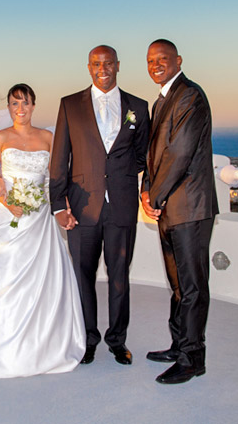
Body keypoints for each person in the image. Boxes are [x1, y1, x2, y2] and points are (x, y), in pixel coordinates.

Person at [0, 84, 85, 377]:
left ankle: (42, 346)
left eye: (25, 103)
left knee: (42, 282)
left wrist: (61, 207)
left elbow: (58, 178)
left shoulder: (48, 137)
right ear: (8, 108)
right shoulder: (1, 138)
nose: (19, 110)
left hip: (40, 220)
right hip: (8, 218)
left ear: (34, 105)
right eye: (13, 104)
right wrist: (7, 200)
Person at [49, 45, 150, 366]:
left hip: (121, 205)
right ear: (88, 67)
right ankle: (88, 338)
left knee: (120, 276)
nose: (102, 68)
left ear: (118, 66)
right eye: (96, 63)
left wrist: (121, 177)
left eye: (108, 63)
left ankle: (117, 340)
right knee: (84, 275)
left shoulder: (139, 106)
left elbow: (143, 155)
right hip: (81, 208)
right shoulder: (69, 105)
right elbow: (59, 159)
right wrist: (58, 205)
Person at [140, 39, 219, 385]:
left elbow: (179, 153)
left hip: (189, 206)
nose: (155, 64)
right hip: (169, 208)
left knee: (192, 287)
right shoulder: (161, 101)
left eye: (162, 59)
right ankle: (178, 345)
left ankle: (192, 358)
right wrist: (146, 190)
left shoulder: (189, 95)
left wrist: (152, 198)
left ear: (178, 60)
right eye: (150, 60)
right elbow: (153, 153)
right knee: (177, 285)